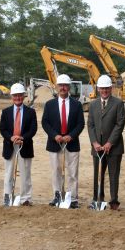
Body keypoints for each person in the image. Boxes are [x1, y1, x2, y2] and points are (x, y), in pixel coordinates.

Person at [42, 74, 85, 209]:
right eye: (61, 85)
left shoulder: (77, 105)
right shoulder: (49, 105)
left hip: (71, 143)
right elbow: (45, 122)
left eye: (66, 85)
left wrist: (71, 136)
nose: (63, 88)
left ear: (69, 87)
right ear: (57, 87)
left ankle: (72, 199)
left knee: (72, 172)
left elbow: (80, 124)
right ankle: (58, 196)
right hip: (55, 143)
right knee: (56, 171)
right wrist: (55, 135)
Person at [87, 75, 125, 210]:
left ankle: (114, 201)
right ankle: (98, 198)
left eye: (107, 88)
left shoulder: (118, 103)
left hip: (114, 147)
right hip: (97, 147)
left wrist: (110, 143)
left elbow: (120, 124)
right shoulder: (93, 104)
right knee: (98, 174)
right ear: (98, 89)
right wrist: (94, 142)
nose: (104, 91)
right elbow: (90, 125)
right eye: (102, 88)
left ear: (111, 88)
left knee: (114, 174)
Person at [0, 83, 37, 206]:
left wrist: (23, 138)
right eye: (15, 95)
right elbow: (2, 129)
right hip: (10, 145)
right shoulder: (6, 112)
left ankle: (26, 198)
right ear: (12, 97)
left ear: (24, 96)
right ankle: (8, 196)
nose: (17, 98)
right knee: (9, 172)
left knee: (25, 173)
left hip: (24, 145)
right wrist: (11, 138)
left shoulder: (31, 112)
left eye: (20, 95)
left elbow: (33, 129)